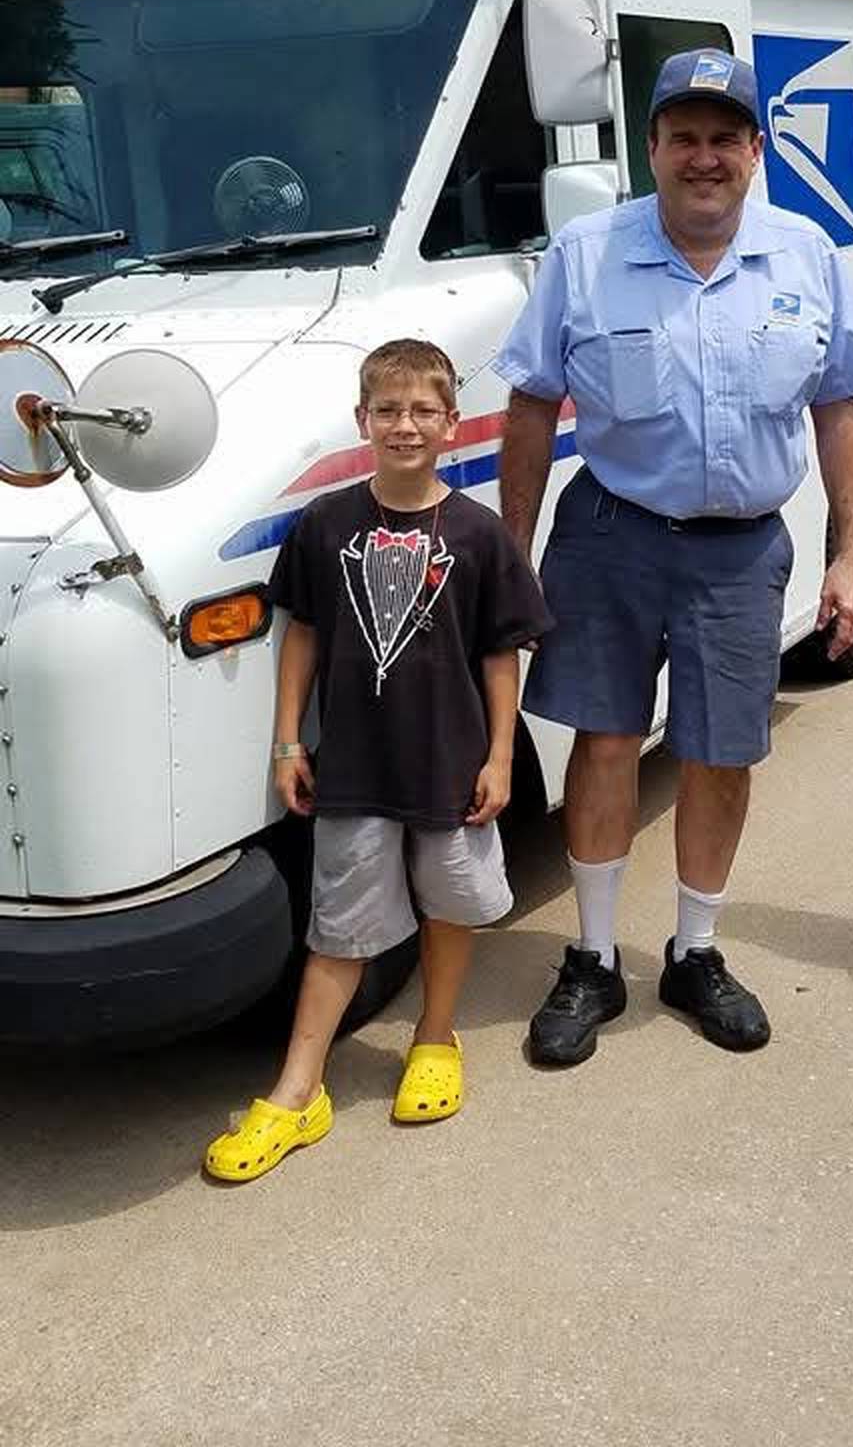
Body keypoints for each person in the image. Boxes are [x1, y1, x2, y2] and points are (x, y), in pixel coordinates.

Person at [494, 48, 853, 1064]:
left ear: (757, 150)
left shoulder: (806, 254)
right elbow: (534, 402)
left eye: (724, 137)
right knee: (609, 740)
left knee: (722, 752)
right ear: (655, 148)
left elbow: (841, 403)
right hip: (612, 535)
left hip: (741, 551)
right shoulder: (586, 253)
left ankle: (696, 952)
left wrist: (852, 552)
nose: (703, 157)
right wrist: (513, 550)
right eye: (683, 137)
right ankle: (590, 957)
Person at [204, 338, 552, 1182]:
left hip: (449, 763)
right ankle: (298, 1090)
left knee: (449, 905)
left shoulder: (478, 534)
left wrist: (501, 757)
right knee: (340, 927)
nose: (405, 425)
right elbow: (304, 639)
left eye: (422, 411)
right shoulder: (326, 524)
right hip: (354, 769)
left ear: (451, 423)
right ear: (363, 420)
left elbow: (500, 656)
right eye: (387, 411)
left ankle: (436, 1037)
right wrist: (289, 740)